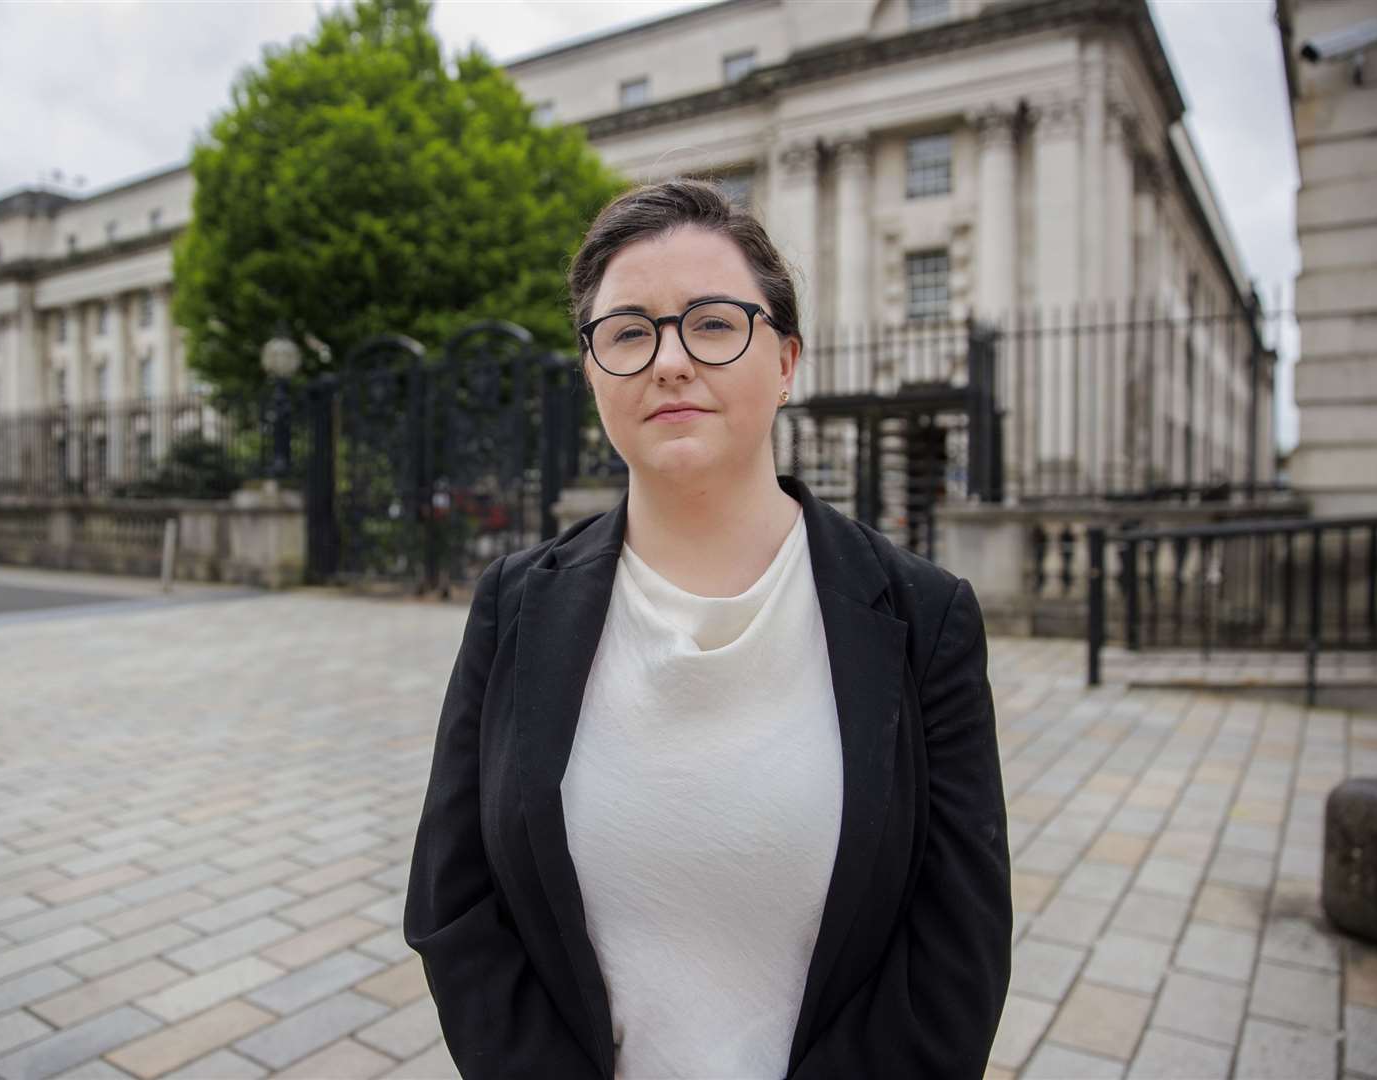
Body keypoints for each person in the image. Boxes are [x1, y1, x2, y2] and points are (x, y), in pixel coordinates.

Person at [403, 178, 1011, 1079]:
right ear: (592, 370)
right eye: (629, 332)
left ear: (788, 360)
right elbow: (454, 904)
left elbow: (957, 945)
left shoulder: (926, 617)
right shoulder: (514, 604)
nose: (669, 360)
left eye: (715, 323)